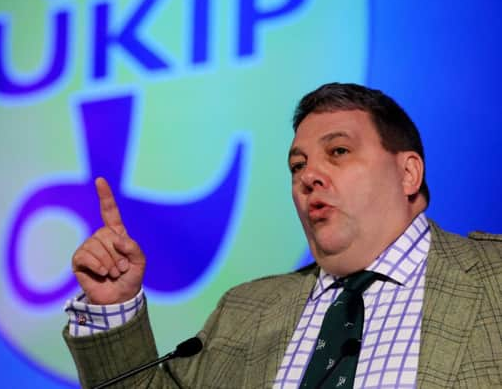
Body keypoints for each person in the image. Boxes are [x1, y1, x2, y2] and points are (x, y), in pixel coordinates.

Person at [63, 83, 502, 388]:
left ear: (408, 173)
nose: (309, 175)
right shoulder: (244, 312)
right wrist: (113, 306)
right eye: (297, 166)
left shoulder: (493, 281)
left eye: (339, 152)